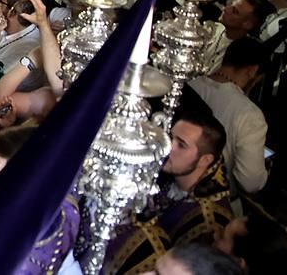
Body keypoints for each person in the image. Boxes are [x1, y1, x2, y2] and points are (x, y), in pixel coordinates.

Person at [106, 108, 233, 275]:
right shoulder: (173, 177)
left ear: (205, 159)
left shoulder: (207, 222)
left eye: (181, 145)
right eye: (170, 137)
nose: (167, 147)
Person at [188, 38, 268, 195]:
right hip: (216, 198)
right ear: (252, 71)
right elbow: (250, 182)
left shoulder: (191, 84)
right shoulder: (249, 114)